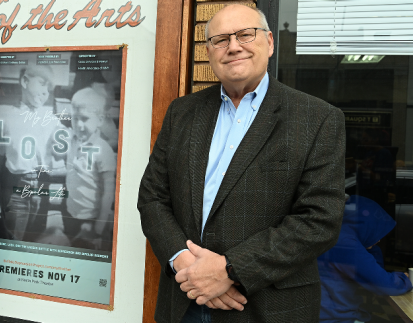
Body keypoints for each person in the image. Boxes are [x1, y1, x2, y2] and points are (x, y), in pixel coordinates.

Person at [137, 4, 346, 322]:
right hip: (184, 301)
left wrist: (229, 270)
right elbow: (152, 197)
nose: (233, 46)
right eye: (220, 39)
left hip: (265, 306)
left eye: (245, 35)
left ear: (270, 42)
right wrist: (183, 262)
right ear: (209, 52)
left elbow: (319, 221)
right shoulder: (182, 112)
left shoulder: (317, 118)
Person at [0, 65, 60, 241]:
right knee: (14, 242)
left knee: (37, 244)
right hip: (18, 192)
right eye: (42, 84)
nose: (45, 92)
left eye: (48, 88)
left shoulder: (51, 120)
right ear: (25, 81)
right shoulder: (6, 119)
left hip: (44, 190)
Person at [318, 195, 412, 323]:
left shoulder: (336, 234)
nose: (379, 239)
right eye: (375, 230)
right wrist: (407, 278)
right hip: (336, 318)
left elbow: (375, 272)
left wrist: (371, 244)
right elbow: (384, 285)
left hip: (326, 313)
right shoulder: (346, 244)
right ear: (365, 224)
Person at [61, 87, 116, 250]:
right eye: (75, 118)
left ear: (99, 120)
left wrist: (98, 228)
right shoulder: (72, 141)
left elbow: (108, 192)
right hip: (70, 213)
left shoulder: (102, 149)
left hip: (91, 219)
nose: (78, 124)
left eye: (84, 119)